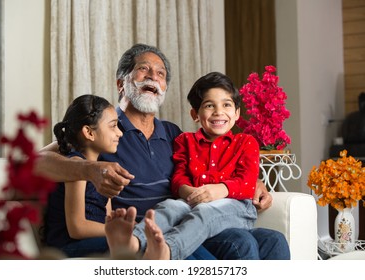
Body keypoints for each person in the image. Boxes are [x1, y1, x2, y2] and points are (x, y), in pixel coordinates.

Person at [37, 43, 289, 259]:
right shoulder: (104, 130)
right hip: (148, 229)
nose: (153, 77)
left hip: (184, 221)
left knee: (273, 241)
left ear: (165, 88)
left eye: (161, 73)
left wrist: (252, 182)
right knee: (240, 243)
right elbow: (37, 162)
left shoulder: (174, 134)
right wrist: (91, 169)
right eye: (143, 69)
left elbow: (210, 166)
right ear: (121, 83)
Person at [104, 71, 260, 260]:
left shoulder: (246, 142)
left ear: (236, 113)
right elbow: (178, 177)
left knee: (205, 211)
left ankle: (167, 251)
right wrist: (187, 191)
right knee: (170, 207)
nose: (219, 112)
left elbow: (248, 182)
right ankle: (133, 241)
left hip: (236, 207)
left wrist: (221, 189)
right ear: (195, 114)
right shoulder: (185, 140)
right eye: (209, 105)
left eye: (226, 105)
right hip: (194, 202)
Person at [44, 95, 123, 257]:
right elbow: (77, 228)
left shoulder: (102, 168)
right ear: (88, 132)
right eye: (113, 126)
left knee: (142, 241)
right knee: (130, 245)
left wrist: (126, 225)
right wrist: (118, 231)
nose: (120, 133)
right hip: (67, 246)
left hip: (93, 240)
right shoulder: (76, 166)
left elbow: (107, 216)